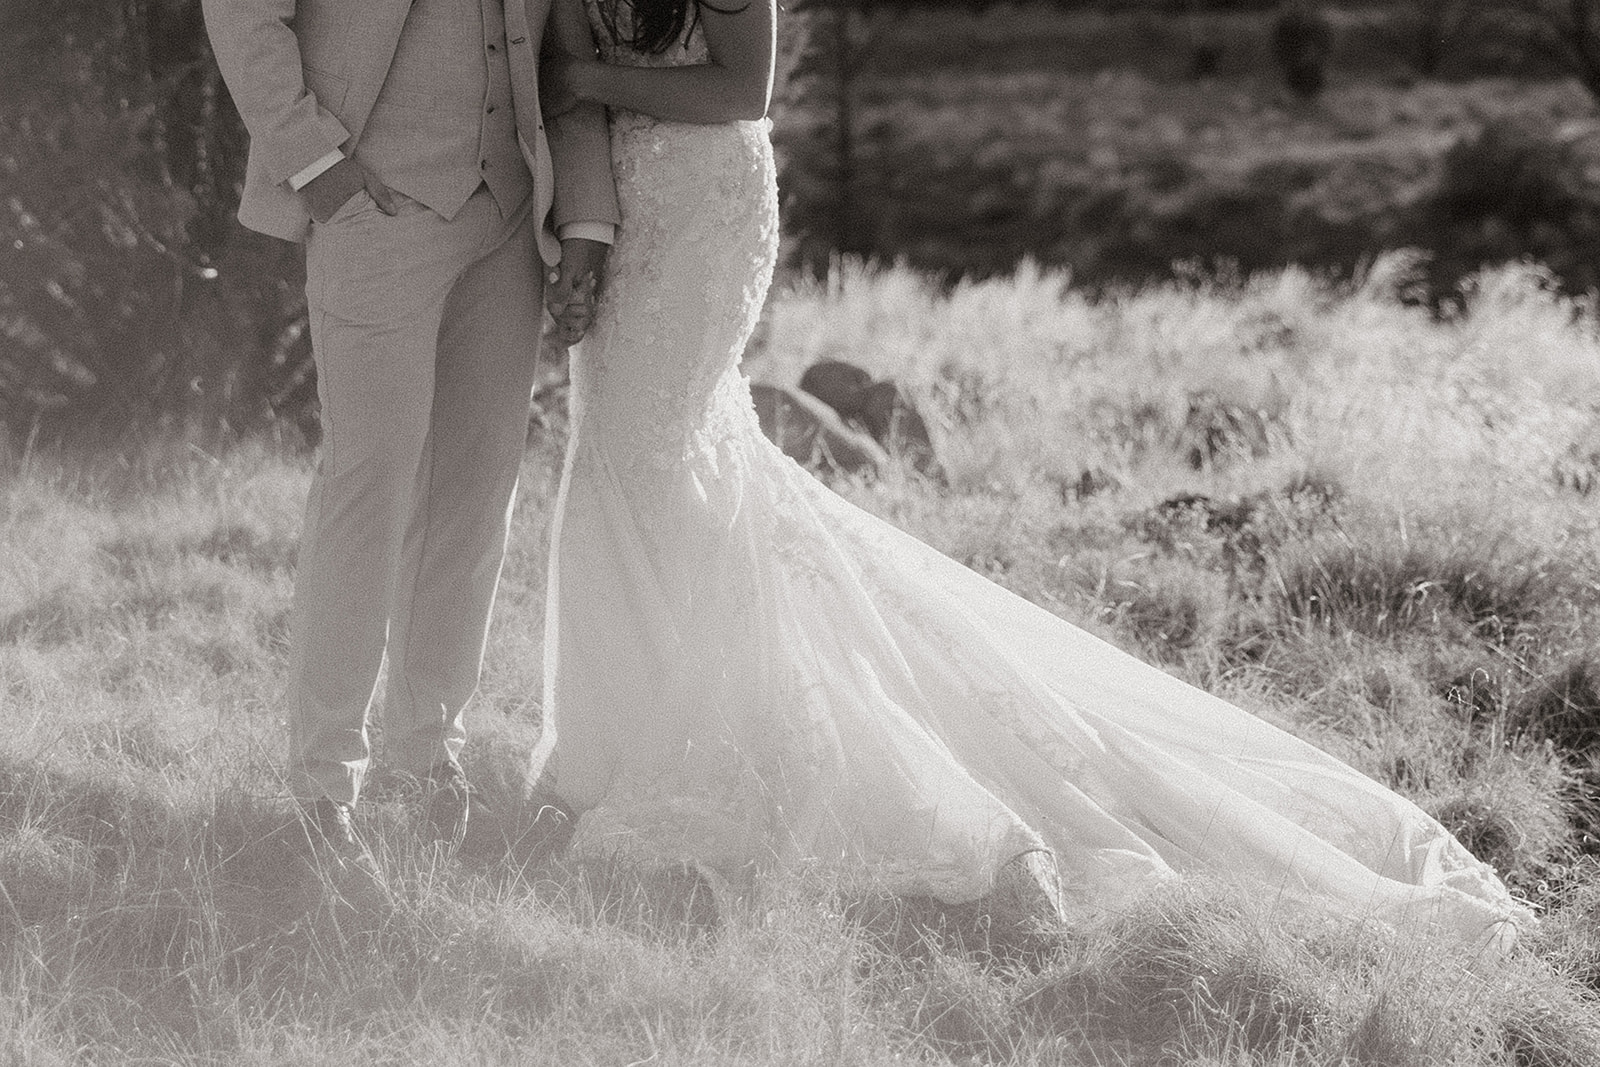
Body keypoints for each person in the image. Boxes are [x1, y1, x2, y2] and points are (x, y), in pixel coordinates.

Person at [529, 0, 1532, 948]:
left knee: (661, 448)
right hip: (625, 206)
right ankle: (614, 739)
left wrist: (582, 71)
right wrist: (582, 235)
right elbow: (569, 101)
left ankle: (691, 741)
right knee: (618, 459)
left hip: (705, 206)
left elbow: (738, 90)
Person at [201, 0, 620, 862]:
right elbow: (245, 15)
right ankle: (323, 786)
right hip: (373, 204)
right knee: (370, 483)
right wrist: (316, 161)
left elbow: (564, 59)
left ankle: (425, 756)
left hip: (508, 211)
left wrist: (583, 219)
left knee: (476, 495)